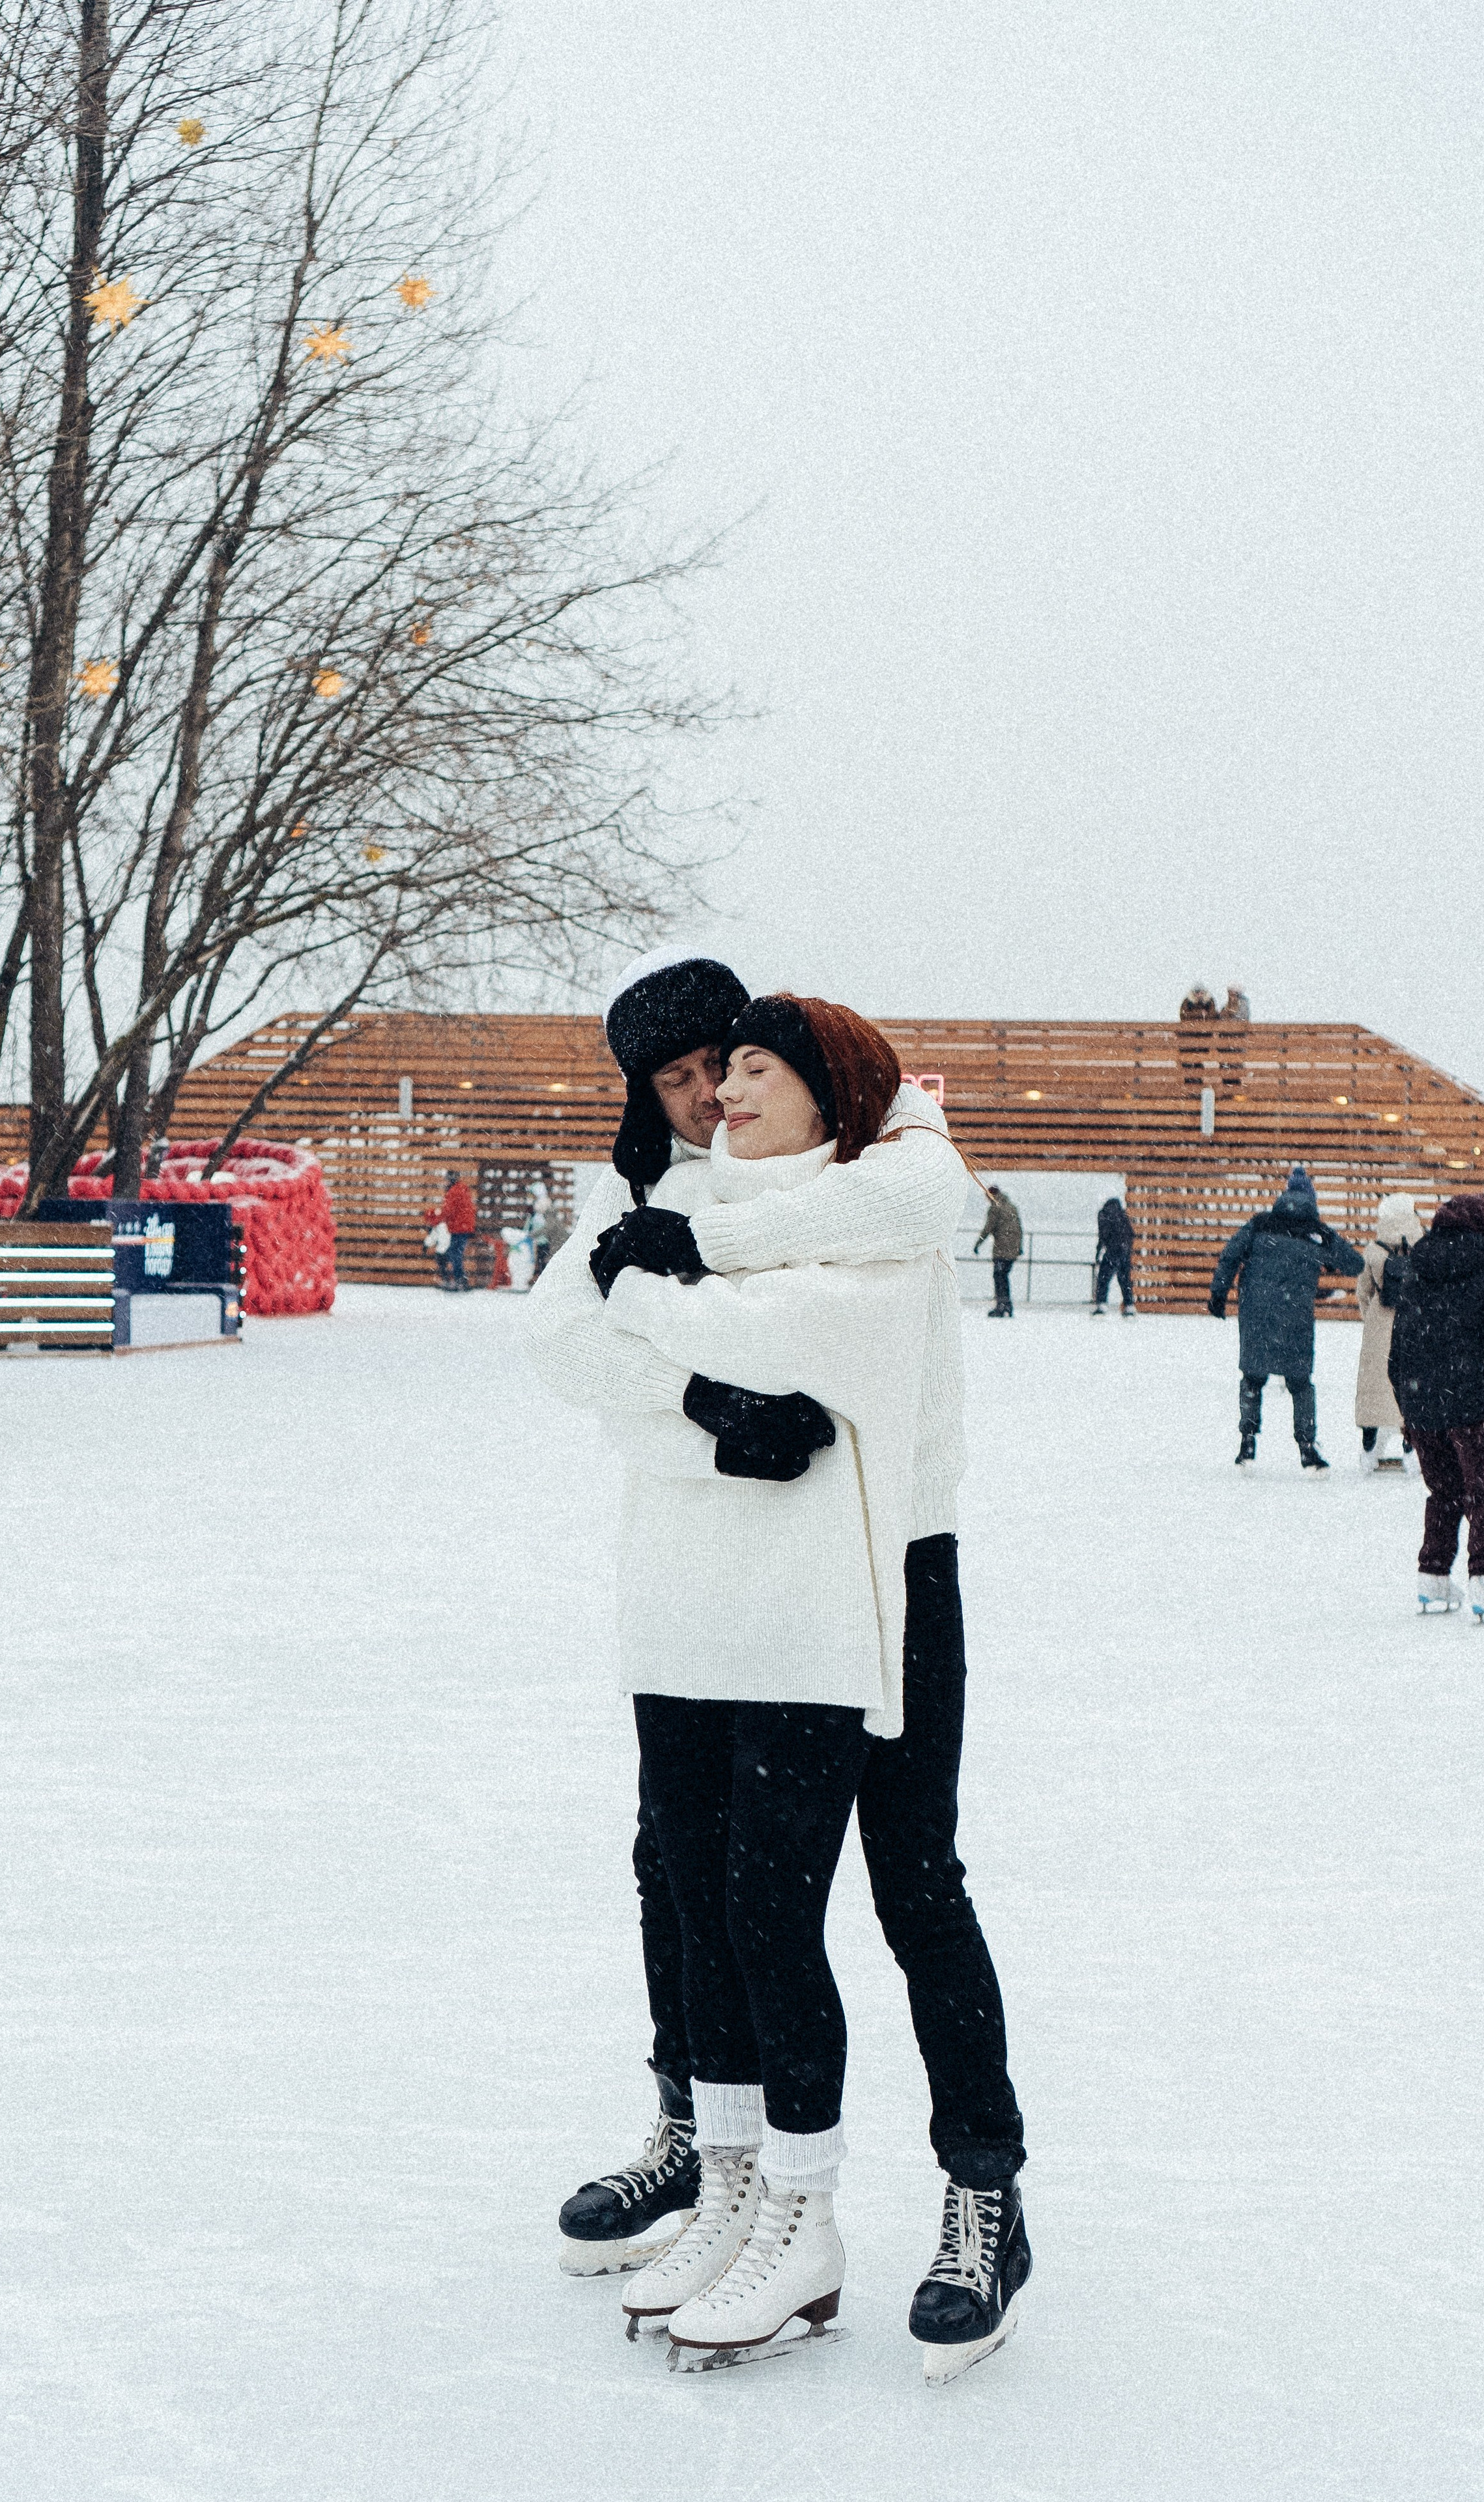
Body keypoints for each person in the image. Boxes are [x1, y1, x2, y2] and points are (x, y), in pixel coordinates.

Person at [523, 949, 1029, 2383]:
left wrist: (686, 1274)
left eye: (725, 1072)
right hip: (733, 1596)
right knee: (694, 1880)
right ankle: (705, 2138)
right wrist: (694, 1401)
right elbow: (564, 1340)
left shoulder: (876, 1166)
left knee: (910, 1887)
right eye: (678, 1085)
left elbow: (901, 1229)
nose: (704, 1103)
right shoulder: (670, 1200)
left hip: (887, 1574)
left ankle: (979, 2193)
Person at [1389, 1193, 1484, 1620]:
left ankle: (1433, 1575)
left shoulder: (1416, 1272)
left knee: (1444, 1493)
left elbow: (1398, 1353)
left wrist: (1409, 1411)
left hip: (1424, 1407)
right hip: (1474, 1409)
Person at [1208, 1166, 1363, 1469]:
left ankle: (1247, 1443)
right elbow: (1355, 1265)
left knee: (1253, 1378)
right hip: (1295, 1317)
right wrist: (1329, 1245)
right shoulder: (1317, 1233)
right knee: (1300, 1383)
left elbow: (1230, 1256)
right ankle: (1307, 1447)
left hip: (1256, 1312)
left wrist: (1218, 1294)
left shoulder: (1259, 1224)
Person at [1355, 1193, 1421, 1472]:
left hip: (1381, 1324)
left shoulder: (1374, 1250)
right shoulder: (1423, 1249)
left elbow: (1363, 1293)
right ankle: (1411, 1451)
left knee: (1374, 1387)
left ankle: (1369, 1452)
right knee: (1412, 1386)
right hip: (1415, 1324)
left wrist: (1370, 1318)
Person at [974, 1185, 1022, 1318]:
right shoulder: (1011, 1207)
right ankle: (1007, 1306)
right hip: (1012, 1251)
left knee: (999, 1277)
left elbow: (988, 1228)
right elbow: (1019, 1228)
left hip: (1002, 1251)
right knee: (1004, 1277)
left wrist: (978, 1244)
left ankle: (1001, 1306)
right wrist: (1019, 1248)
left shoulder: (996, 1208)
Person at [1092, 1195, 1135, 1315]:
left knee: (1103, 1279)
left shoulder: (1104, 1215)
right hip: (1124, 1252)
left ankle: (1101, 1305)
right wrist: (1127, 1250)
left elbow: (1103, 1235)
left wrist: (1099, 1252)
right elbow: (1131, 1234)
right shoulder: (1123, 1215)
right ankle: (1129, 1306)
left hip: (1112, 1252)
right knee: (1125, 1281)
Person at [439, 1170, 476, 1290]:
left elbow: (448, 1210)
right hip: (463, 1227)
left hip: (459, 1228)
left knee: (454, 1255)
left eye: (446, 1180)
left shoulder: (454, 1191)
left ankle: (459, 1280)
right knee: (455, 1254)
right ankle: (459, 1280)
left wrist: (433, 1219)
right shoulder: (462, 1189)